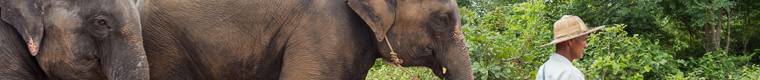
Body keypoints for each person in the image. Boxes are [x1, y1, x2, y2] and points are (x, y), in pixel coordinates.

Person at [535, 15, 604, 80]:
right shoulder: (570, 74)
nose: (586, 45)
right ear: (570, 41)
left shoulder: (544, 68)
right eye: (584, 39)